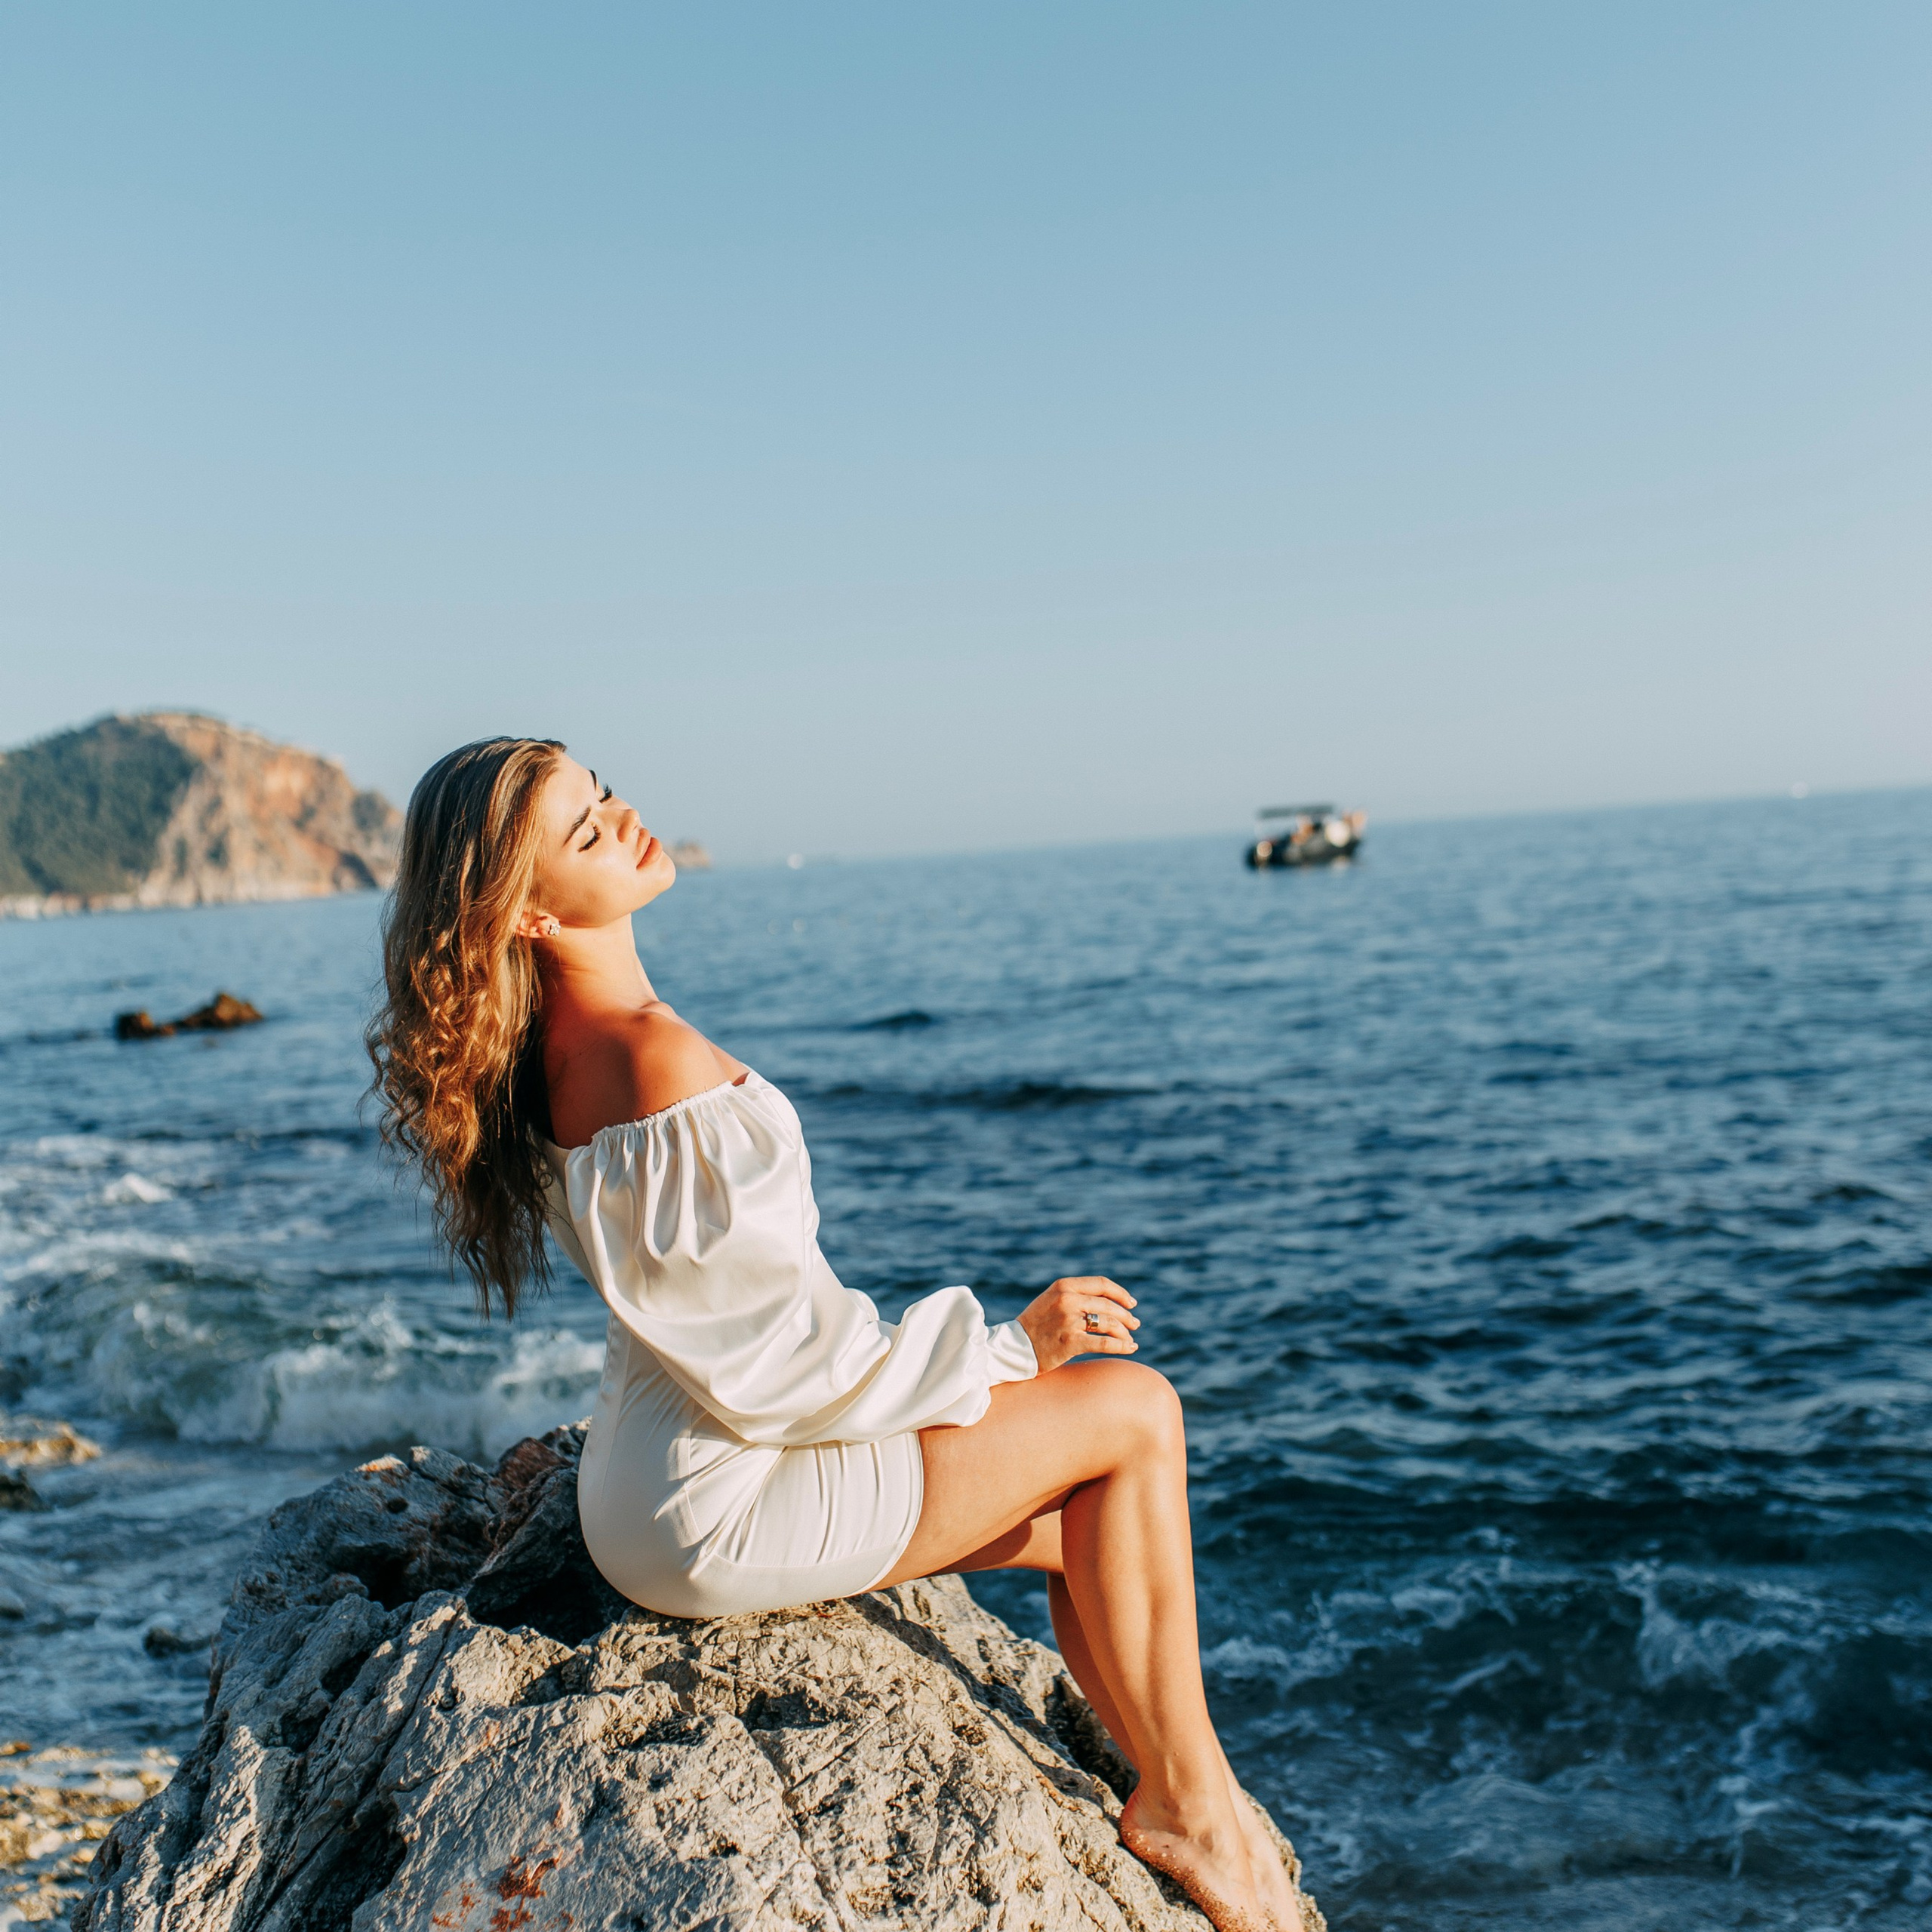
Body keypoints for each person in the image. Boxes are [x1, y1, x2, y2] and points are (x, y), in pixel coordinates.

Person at [366, 737, 1300, 1932]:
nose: (627, 815)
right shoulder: (654, 1062)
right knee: (1136, 1414)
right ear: (532, 911)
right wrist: (1011, 1344)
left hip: (650, 1486)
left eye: (603, 794)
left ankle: (1172, 1781)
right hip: (721, 1496)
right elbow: (792, 1372)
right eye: (588, 831)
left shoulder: (560, 1054)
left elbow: (736, 1339)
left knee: (1085, 1521)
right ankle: (1193, 1810)